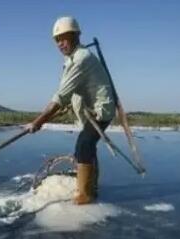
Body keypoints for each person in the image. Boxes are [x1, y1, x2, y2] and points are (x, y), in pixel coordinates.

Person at [25, 16, 116, 205]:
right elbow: (71, 92)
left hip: (100, 110)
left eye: (64, 38)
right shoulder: (72, 59)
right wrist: (62, 108)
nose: (60, 43)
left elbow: (59, 97)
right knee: (85, 146)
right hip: (90, 110)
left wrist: (38, 122)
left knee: (84, 144)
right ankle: (91, 187)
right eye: (57, 40)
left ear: (76, 36)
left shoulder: (80, 59)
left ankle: (85, 194)